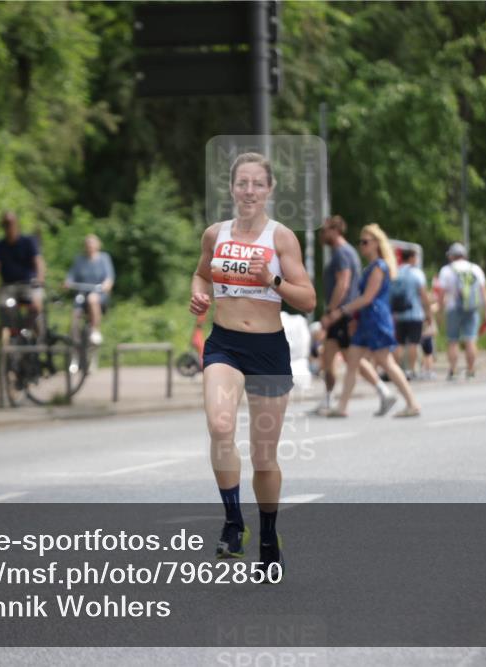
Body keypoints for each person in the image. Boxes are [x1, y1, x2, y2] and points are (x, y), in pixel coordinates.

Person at [190, 152, 315, 579]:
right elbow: (202, 274)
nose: (248, 191)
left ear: (269, 190)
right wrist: (199, 296)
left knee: (264, 458)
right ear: (231, 188)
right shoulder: (215, 234)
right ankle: (232, 521)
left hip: (268, 351)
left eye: (256, 184)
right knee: (220, 426)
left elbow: (308, 299)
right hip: (225, 344)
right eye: (241, 183)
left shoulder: (281, 239)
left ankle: (268, 534)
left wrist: (272, 281)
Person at [325, 224, 420, 418]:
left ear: (377, 243)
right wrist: (354, 318)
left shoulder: (380, 267)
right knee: (352, 359)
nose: (362, 245)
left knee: (385, 361)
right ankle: (342, 406)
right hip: (367, 319)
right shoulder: (372, 267)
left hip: (376, 319)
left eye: (366, 242)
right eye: (361, 242)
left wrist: (342, 311)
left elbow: (367, 298)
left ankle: (412, 403)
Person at [315, 215, 399, 416]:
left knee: (349, 358)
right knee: (343, 357)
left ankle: (381, 392)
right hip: (346, 313)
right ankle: (335, 400)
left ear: (335, 231)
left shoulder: (341, 254)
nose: (321, 235)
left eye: (324, 231)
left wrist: (332, 312)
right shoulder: (345, 252)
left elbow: (343, 284)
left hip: (343, 314)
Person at [437, 242, 486, 380]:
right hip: (472, 308)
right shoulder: (475, 269)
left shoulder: (446, 270)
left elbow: (441, 294)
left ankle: (453, 371)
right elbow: (484, 292)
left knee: (452, 340)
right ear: (464, 255)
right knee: (471, 339)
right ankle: (471, 370)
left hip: (453, 308)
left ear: (451, 256)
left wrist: (440, 312)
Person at [0, 211, 46, 338]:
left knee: (36, 305)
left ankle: (36, 333)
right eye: (5, 225)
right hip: (8, 286)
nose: (8, 227)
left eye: (10, 224)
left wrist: (40, 280)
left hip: (29, 285)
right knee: (4, 306)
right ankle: (11, 333)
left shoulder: (28, 242)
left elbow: (38, 261)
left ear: (16, 225)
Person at [390, 248, 433, 380]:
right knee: (413, 342)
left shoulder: (396, 272)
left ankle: (396, 370)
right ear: (412, 258)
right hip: (415, 313)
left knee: (399, 343)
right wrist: (428, 313)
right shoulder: (416, 273)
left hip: (398, 314)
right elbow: (423, 295)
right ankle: (411, 370)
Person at [65, 234, 115, 345]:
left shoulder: (104, 258)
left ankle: (95, 330)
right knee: (75, 309)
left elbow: (109, 277)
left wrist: (107, 284)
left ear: (98, 245)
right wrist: (67, 282)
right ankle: (74, 334)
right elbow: (71, 275)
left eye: (92, 244)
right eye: (87, 244)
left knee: (92, 299)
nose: (90, 246)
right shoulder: (79, 259)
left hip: (98, 293)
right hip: (82, 293)